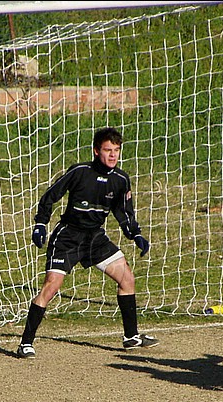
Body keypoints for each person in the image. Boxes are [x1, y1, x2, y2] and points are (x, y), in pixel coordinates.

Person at [16, 127, 159, 358]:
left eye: (116, 150)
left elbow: (124, 212)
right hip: (68, 236)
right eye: (107, 150)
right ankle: (25, 343)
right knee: (51, 286)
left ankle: (131, 337)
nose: (113, 155)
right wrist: (40, 224)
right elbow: (50, 196)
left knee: (127, 278)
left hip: (95, 237)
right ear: (96, 151)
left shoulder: (121, 179)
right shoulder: (80, 172)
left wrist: (136, 234)